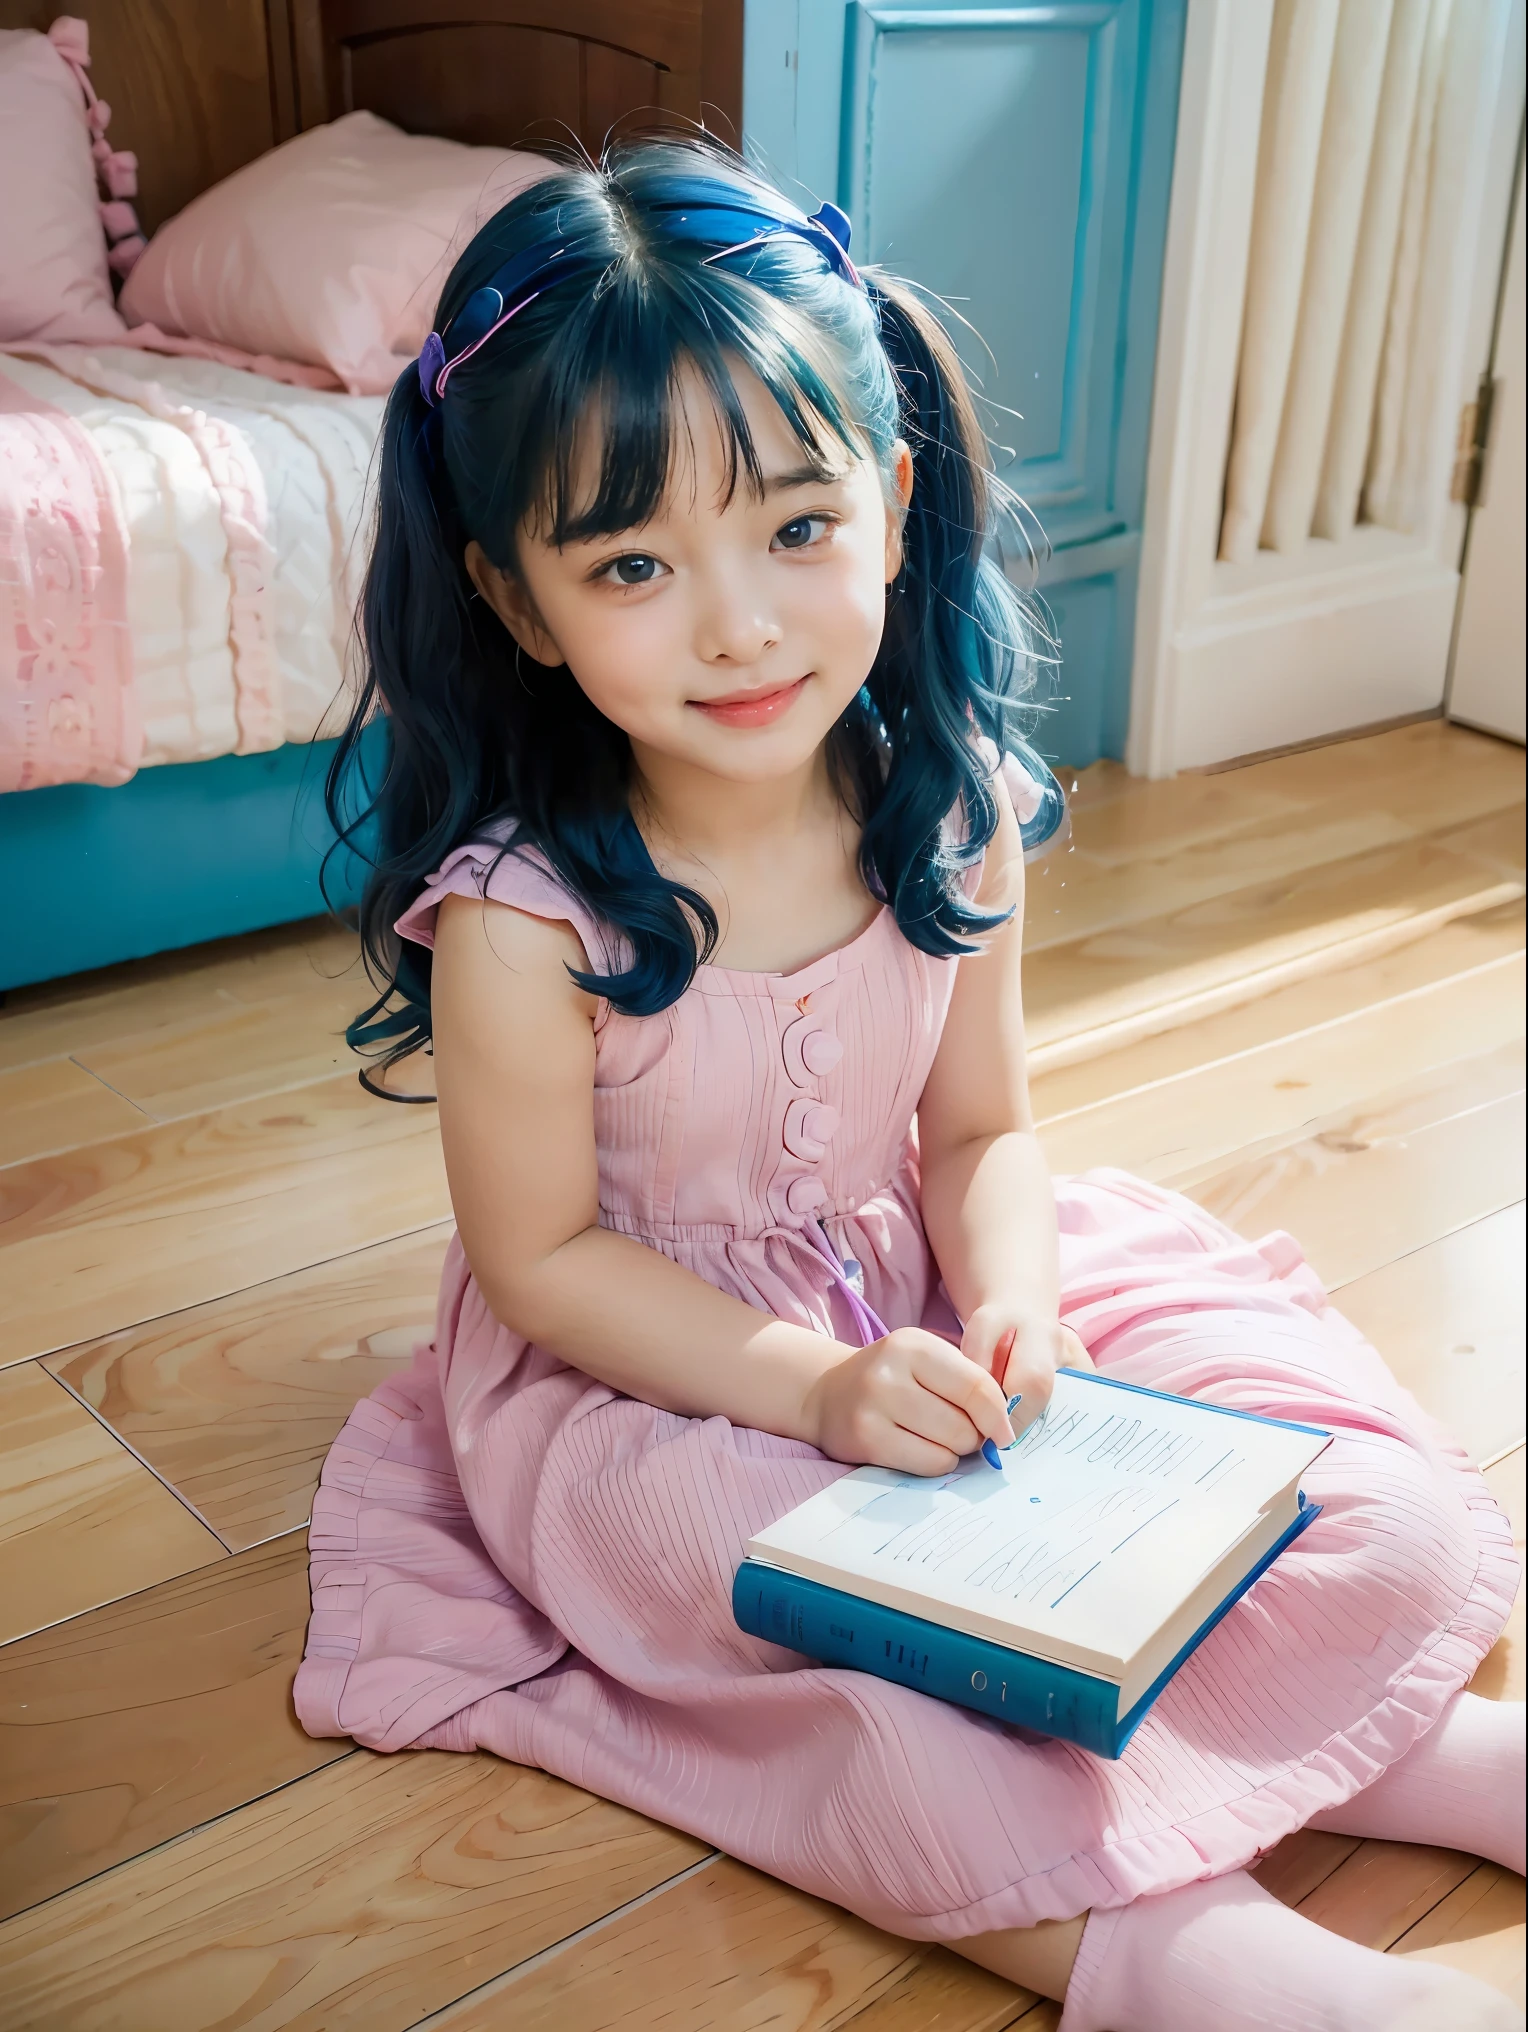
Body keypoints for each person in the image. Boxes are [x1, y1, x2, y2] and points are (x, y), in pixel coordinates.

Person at [296, 138, 1523, 2031]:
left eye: (795, 529)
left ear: (887, 492)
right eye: (632, 562)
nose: (738, 624)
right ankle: (1188, 1967)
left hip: (932, 1299)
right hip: (663, 1377)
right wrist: (820, 1391)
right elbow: (540, 1266)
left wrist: (1019, 1298)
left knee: (1345, 1497)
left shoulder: (947, 811)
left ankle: (1410, 1750)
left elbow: (985, 1133)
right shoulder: (522, 925)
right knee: (836, 1652)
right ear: (519, 600)